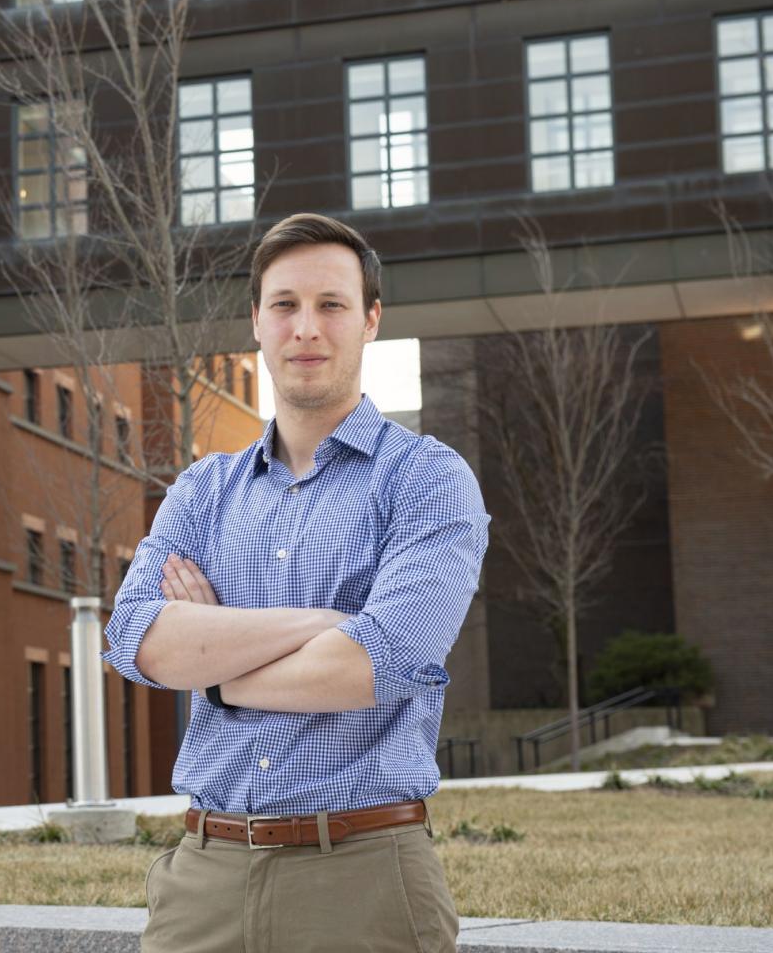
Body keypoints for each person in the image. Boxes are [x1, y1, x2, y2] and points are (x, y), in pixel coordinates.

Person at [105, 213, 489, 953]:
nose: (305, 328)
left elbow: (375, 662)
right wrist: (325, 621)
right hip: (202, 884)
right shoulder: (201, 491)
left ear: (370, 320)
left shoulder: (427, 481)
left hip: (363, 881)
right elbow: (136, 641)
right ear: (256, 321)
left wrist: (216, 674)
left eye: (331, 305)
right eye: (285, 305)